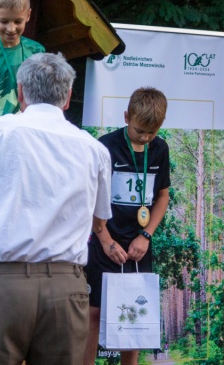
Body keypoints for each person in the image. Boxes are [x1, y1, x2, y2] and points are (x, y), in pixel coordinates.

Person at [0, 52, 112, 365]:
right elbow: (100, 219)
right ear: (68, 97)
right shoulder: (95, 149)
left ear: (21, 92)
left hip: (4, 285)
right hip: (67, 288)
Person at [83, 87, 170, 365]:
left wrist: (146, 235)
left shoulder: (160, 149)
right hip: (105, 239)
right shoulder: (105, 146)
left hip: (138, 245)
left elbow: (162, 196)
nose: (145, 138)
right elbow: (91, 197)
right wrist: (106, 240)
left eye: (151, 133)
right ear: (126, 117)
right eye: (139, 130)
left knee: (134, 313)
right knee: (93, 312)